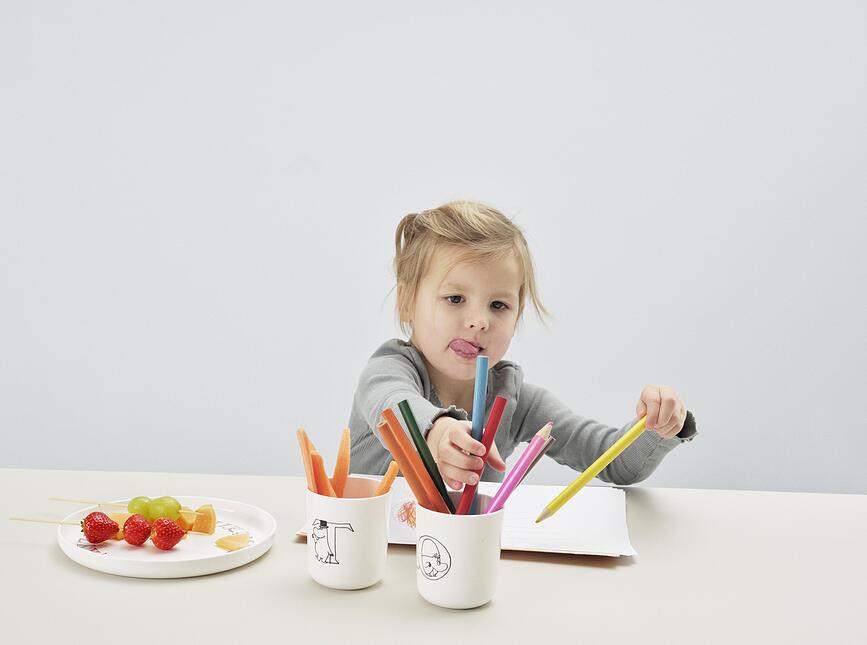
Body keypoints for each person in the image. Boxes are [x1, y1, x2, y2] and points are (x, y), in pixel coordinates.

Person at [348, 201, 696, 490]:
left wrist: (656, 426)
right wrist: (438, 433)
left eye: (498, 305)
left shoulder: (514, 399)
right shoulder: (388, 370)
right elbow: (396, 408)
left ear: (517, 316)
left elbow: (613, 463)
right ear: (407, 302)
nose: (479, 321)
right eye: (455, 298)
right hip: (374, 546)